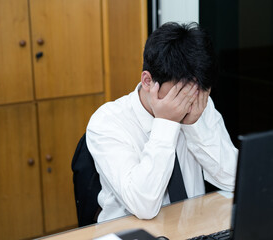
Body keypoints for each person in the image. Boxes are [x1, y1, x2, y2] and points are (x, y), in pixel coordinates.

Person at [86, 22, 238, 223]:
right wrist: (166, 123)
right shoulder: (107, 122)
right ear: (148, 81)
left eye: (197, 92)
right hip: (133, 233)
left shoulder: (199, 102)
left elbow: (233, 178)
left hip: (191, 229)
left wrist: (194, 126)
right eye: (180, 94)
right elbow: (144, 206)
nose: (190, 102)